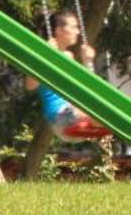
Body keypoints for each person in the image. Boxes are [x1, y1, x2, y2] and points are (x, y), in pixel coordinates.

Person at [25, 9, 101, 139]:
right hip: (60, 119)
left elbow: (85, 88)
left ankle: (94, 123)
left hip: (75, 116)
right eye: (74, 27)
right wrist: (45, 56)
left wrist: (87, 62)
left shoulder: (68, 56)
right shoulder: (40, 54)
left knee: (103, 111)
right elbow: (30, 85)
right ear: (59, 30)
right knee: (102, 113)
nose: (78, 31)